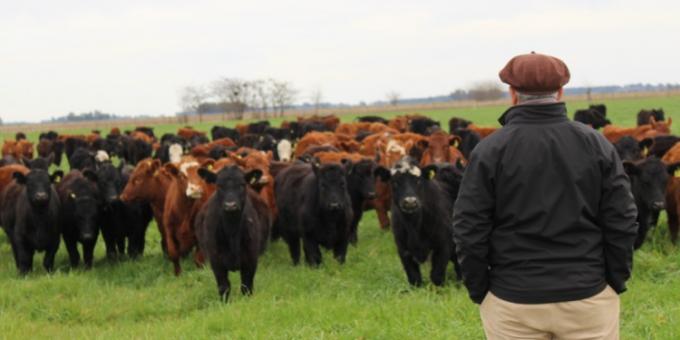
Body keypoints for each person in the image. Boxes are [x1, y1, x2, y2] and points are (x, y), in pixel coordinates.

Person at [452, 52, 638, 340]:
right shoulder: (595, 143)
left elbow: (469, 227)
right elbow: (622, 219)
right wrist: (614, 279)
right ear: (561, 92)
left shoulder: (490, 150)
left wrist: (482, 290)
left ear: (512, 94)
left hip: (513, 301)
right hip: (587, 298)